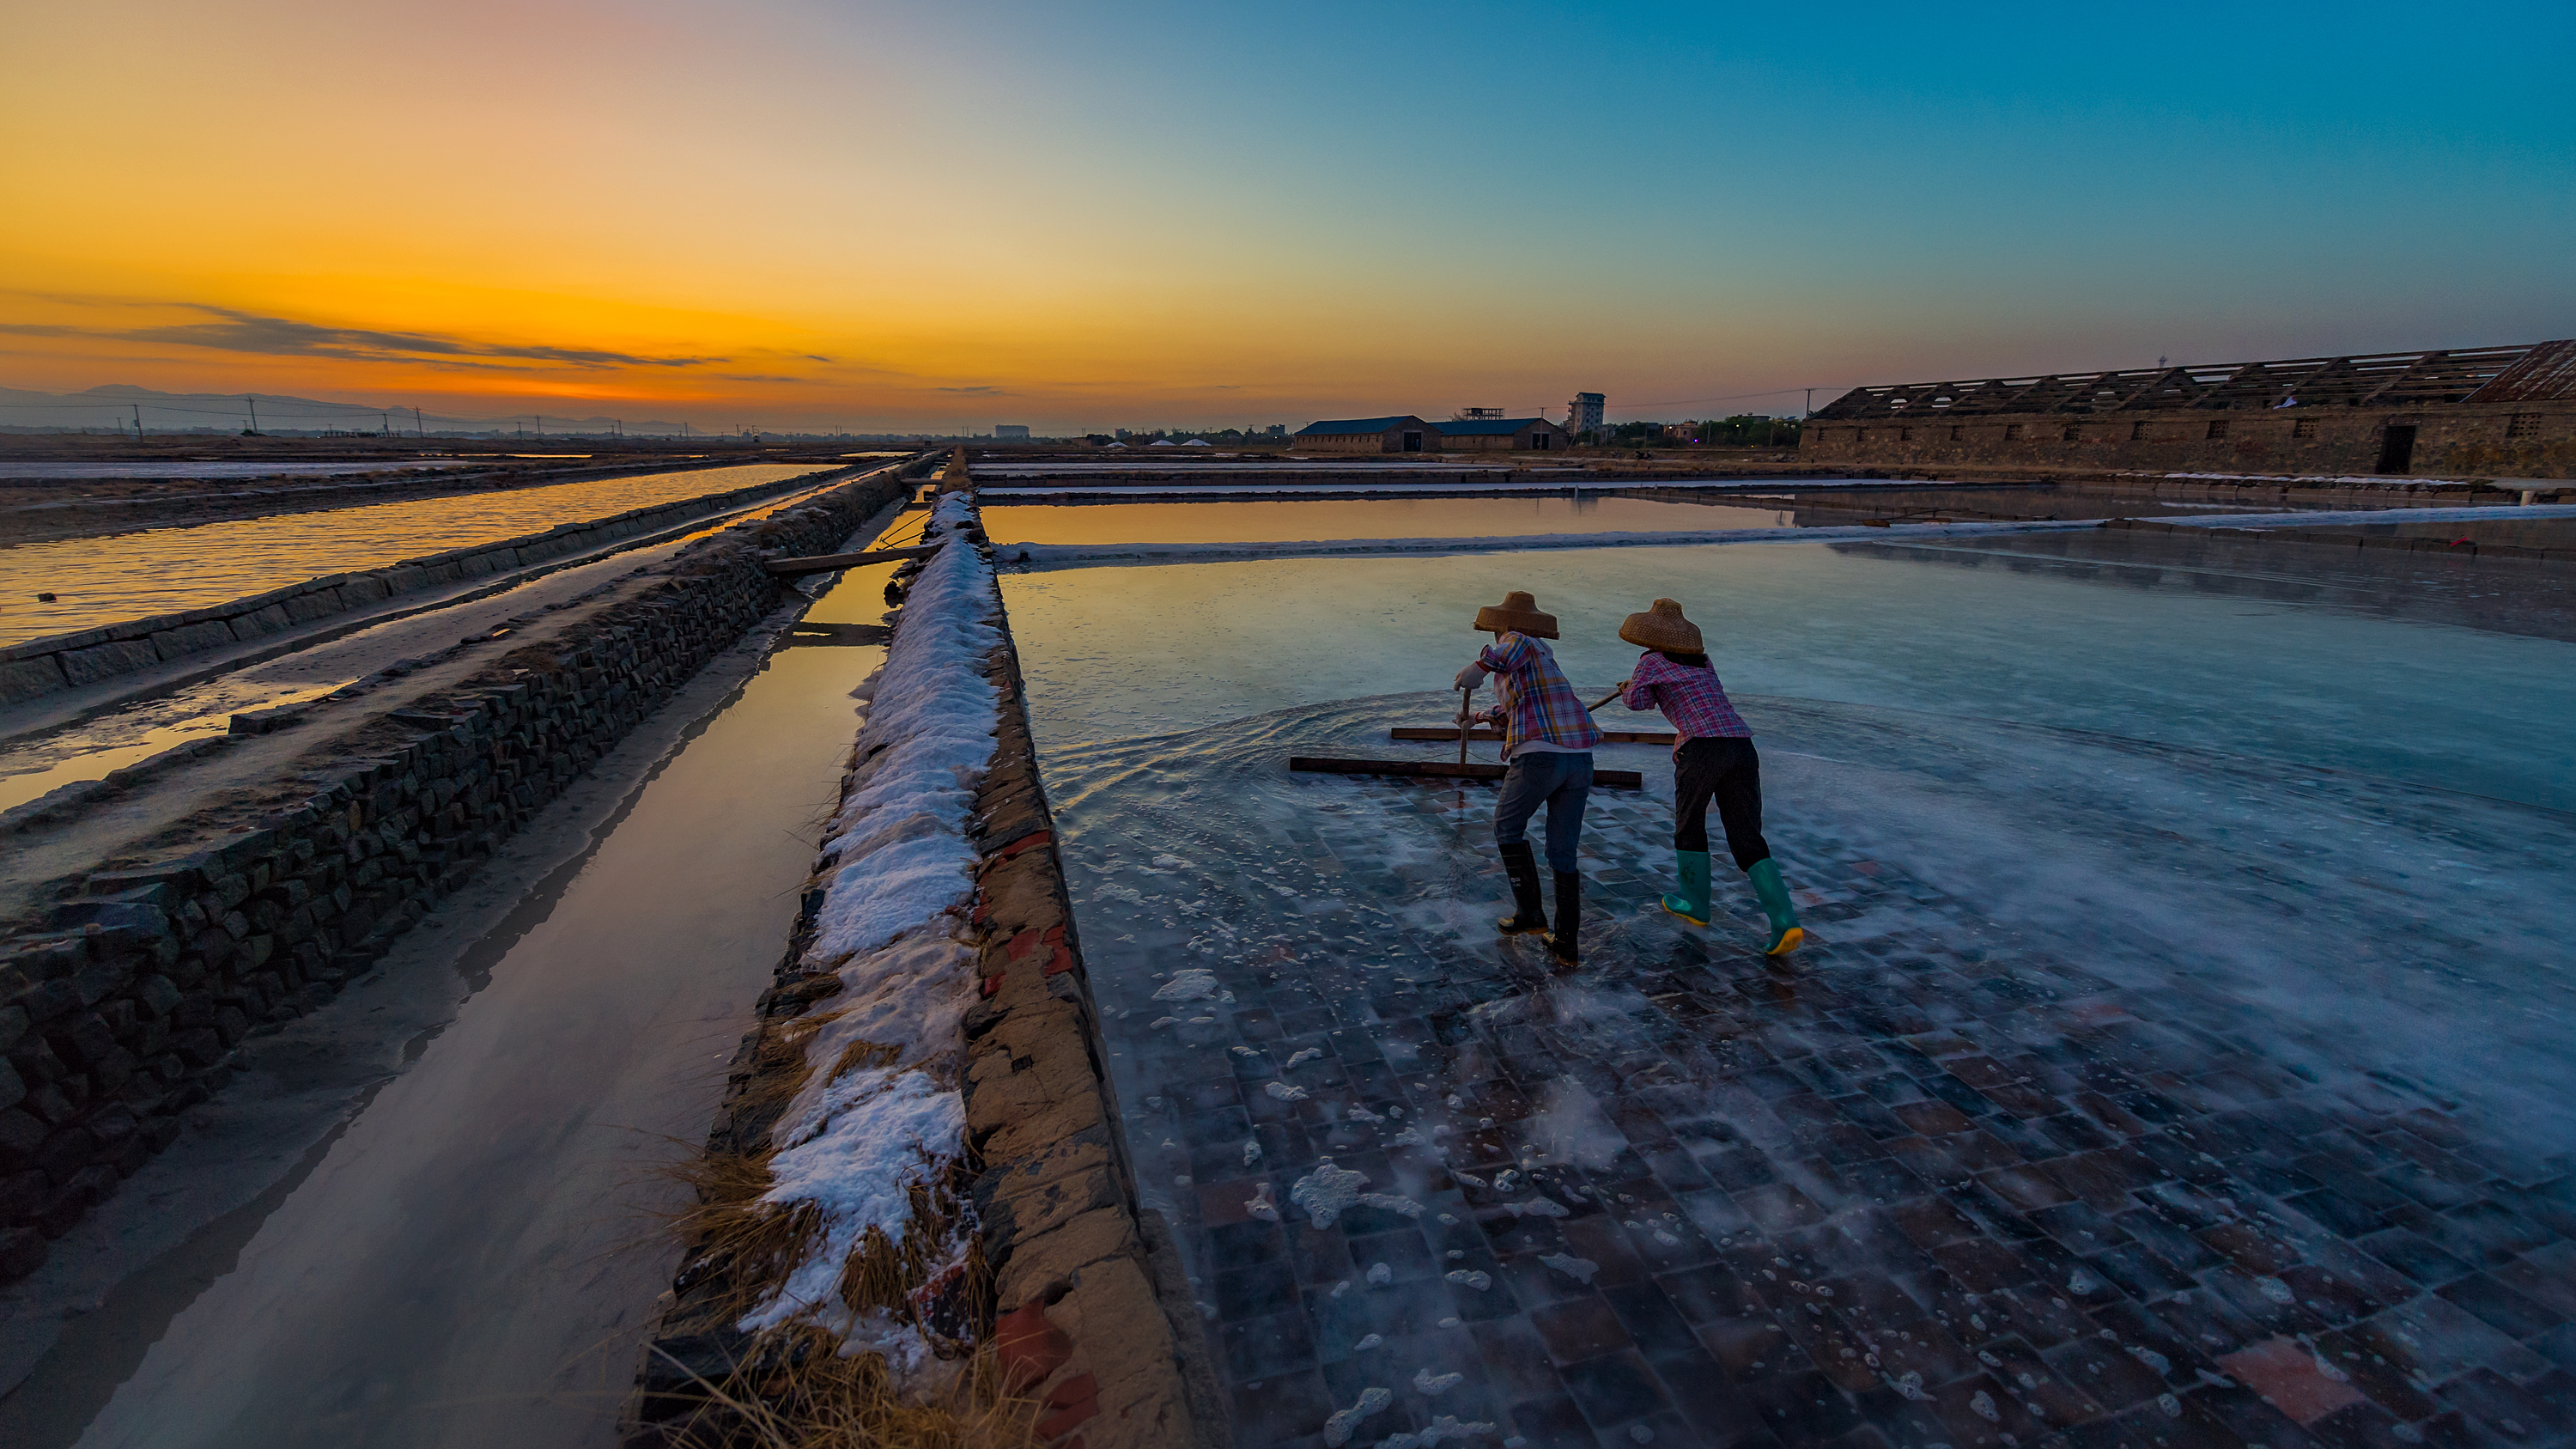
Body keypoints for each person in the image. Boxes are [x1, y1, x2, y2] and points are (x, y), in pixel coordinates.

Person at [1615, 598, 1803, 955]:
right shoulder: (1703, 661)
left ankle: (1696, 905)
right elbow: (1686, 693)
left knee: (1690, 824)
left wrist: (1629, 688)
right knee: (1747, 835)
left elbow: (1637, 703)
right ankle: (1785, 923)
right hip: (1741, 746)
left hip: (1701, 748)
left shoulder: (1650, 661)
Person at [1455, 590, 1601, 968]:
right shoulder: (1541, 663)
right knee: (1562, 850)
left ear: (1502, 625)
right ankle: (1566, 941)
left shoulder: (1517, 641)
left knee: (1506, 826)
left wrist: (1480, 665)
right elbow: (1514, 711)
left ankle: (1530, 913)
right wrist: (1478, 719)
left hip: (1542, 758)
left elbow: (1508, 651)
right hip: (1579, 760)